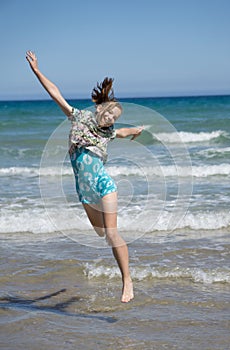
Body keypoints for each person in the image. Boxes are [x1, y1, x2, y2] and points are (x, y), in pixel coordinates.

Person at [26, 51, 143, 303]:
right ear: (99, 108)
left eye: (115, 117)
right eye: (109, 113)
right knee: (100, 234)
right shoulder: (78, 117)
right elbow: (55, 93)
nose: (111, 118)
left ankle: (127, 281)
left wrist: (135, 130)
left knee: (112, 234)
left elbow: (120, 133)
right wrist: (37, 70)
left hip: (104, 185)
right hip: (84, 191)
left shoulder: (108, 132)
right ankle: (123, 273)